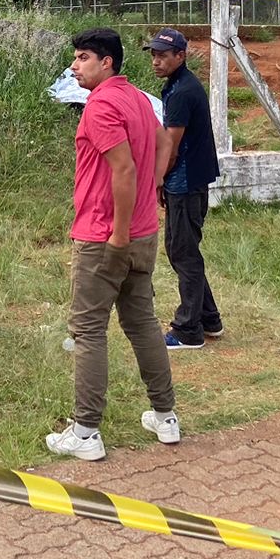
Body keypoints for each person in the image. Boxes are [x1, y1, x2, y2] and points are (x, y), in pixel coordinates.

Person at [46, 27, 180, 462]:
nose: (74, 65)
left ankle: (85, 432)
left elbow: (122, 171)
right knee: (142, 323)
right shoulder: (139, 98)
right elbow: (162, 142)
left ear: (107, 63)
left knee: (87, 331)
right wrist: (154, 185)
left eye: (83, 57)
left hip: (106, 234)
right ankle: (165, 417)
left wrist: (118, 234)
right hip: (144, 230)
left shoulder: (101, 105)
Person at [144, 28, 224, 349]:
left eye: (163, 55)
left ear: (181, 56)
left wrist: (157, 180)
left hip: (186, 181)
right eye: (153, 54)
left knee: (184, 253)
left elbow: (171, 147)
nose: (156, 60)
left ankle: (188, 330)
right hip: (187, 180)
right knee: (182, 250)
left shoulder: (181, 93)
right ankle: (210, 319)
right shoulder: (178, 86)